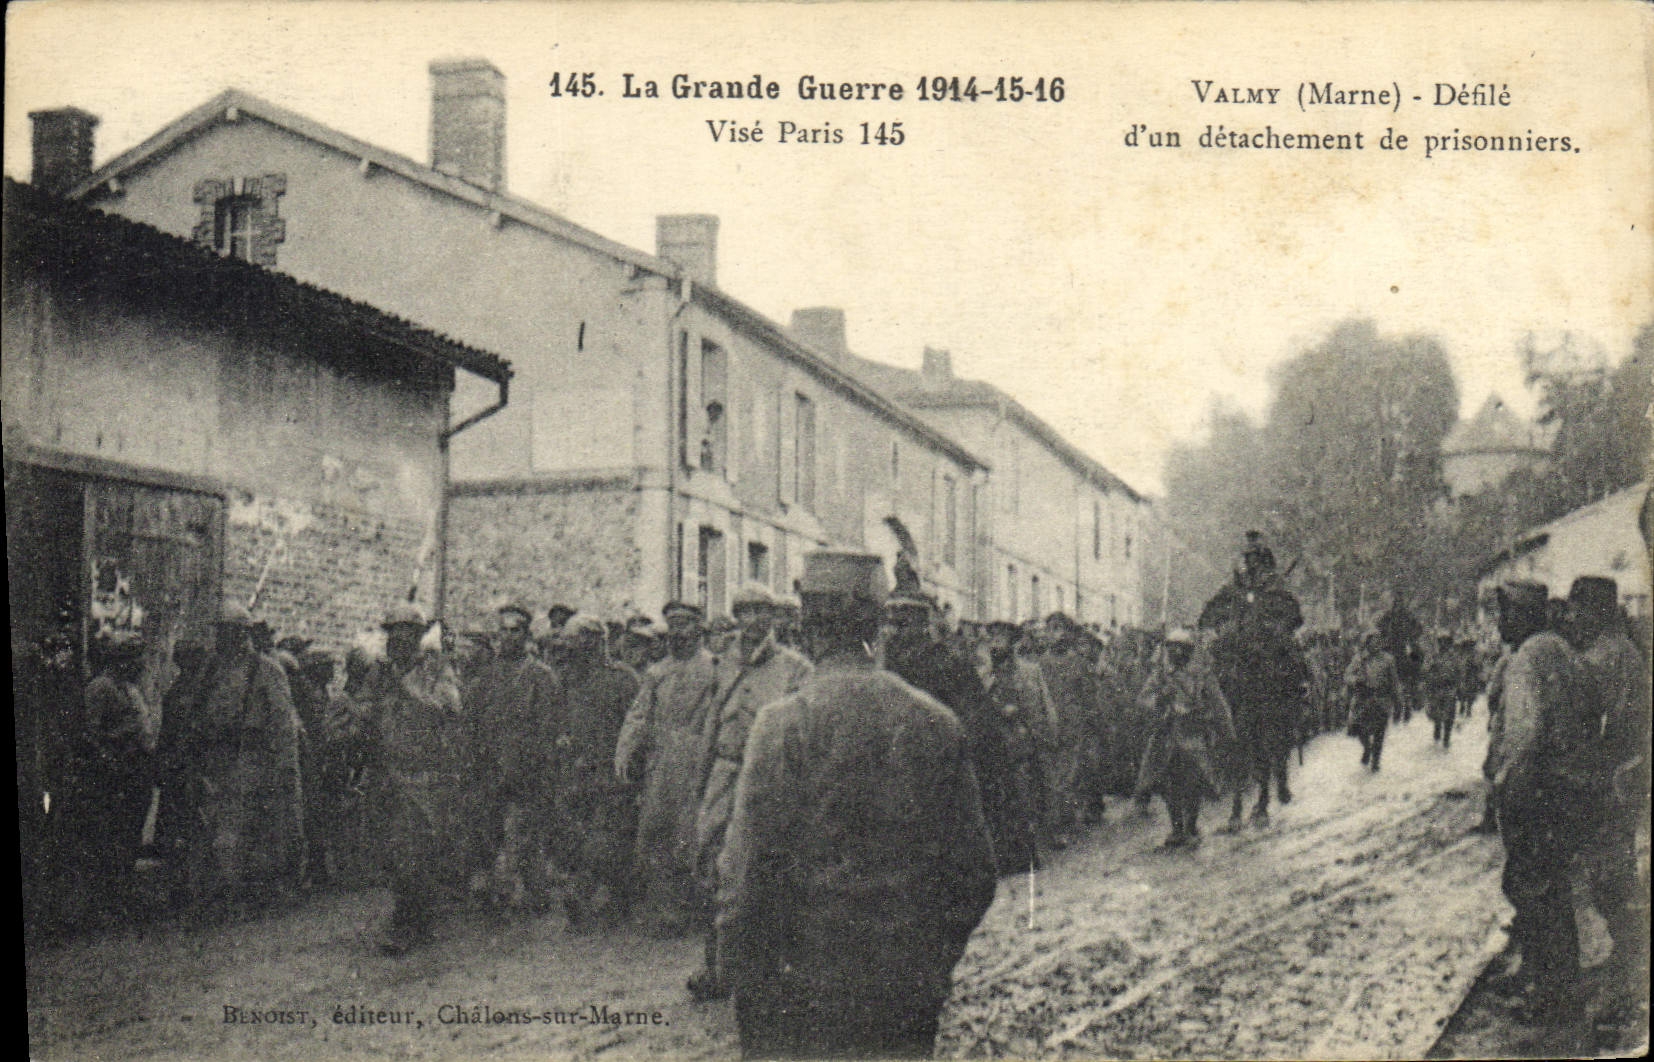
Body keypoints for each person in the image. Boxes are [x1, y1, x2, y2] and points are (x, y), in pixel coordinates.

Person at [717, 551, 996, 1059]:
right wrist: (932, 963)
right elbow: (974, 874)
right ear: (878, 622)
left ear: (804, 625)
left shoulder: (781, 724)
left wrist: (744, 971)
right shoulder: (934, 721)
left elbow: (745, 874)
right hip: (903, 985)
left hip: (799, 987)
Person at [688, 584, 812, 1002]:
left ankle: (769, 968)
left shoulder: (794, 667)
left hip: (768, 776)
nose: (756, 620)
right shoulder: (721, 664)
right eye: (748, 611)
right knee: (711, 863)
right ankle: (715, 966)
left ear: (775, 618)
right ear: (737, 615)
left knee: (765, 866)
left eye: (764, 611)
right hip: (723, 773)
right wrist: (702, 781)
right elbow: (710, 725)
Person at [1483, 581, 1596, 1025]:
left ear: (1520, 616)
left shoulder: (1525, 660)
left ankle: (1552, 998)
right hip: (1569, 791)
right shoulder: (1564, 651)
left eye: (1505, 615)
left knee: (1534, 892)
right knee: (1553, 890)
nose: (1500, 623)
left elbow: (1524, 741)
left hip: (1537, 796)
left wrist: (1506, 794)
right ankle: (1549, 983)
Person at [1564, 577, 1650, 1028]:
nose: (1571, 619)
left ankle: (1629, 969)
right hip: (1623, 775)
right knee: (1611, 871)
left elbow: (1594, 726)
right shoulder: (1624, 653)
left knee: (1609, 876)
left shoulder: (1603, 659)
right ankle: (1626, 958)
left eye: (1577, 610)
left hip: (1609, 780)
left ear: (1595, 611)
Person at [882, 593, 1018, 877]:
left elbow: (972, 713)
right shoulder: (891, 661)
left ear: (920, 626)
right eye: (893, 624)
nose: (894, 631)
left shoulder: (942, 661)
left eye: (902, 624)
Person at [186, 600, 305, 914]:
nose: (223, 639)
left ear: (243, 634)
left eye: (230, 632)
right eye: (220, 632)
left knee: (248, 829)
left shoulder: (265, 670)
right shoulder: (210, 668)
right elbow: (196, 709)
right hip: (215, 760)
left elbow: (282, 724)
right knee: (214, 828)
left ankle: (248, 892)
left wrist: (285, 769)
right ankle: (220, 892)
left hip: (251, 760)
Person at [363, 602, 469, 954]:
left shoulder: (436, 670)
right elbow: (367, 710)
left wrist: (406, 687)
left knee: (413, 850)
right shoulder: (380, 673)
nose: (398, 640)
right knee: (393, 852)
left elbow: (449, 708)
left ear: (419, 637)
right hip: (387, 773)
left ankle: (409, 921)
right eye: (392, 633)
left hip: (424, 777)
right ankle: (414, 915)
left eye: (405, 633)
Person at [615, 600, 721, 934]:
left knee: (695, 835)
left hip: (700, 760)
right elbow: (638, 715)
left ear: (699, 628)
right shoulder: (657, 672)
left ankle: (700, 909)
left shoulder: (715, 669)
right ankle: (666, 909)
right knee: (657, 831)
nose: (678, 633)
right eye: (672, 626)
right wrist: (625, 750)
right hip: (661, 763)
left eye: (685, 625)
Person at [468, 602, 564, 917]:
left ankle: (534, 891)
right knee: (490, 829)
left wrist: (539, 766)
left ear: (526, 634)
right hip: (491, 764)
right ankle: (497, 891)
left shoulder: (541, 675)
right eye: (504, 631)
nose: (509, 637)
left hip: (527, 768)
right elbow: (473, 720)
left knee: (527, 832)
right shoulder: (486, 676)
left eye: (516, 631)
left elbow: (548, 726)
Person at [553, 614, 641, 931]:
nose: (571, 649)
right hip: (578, 773)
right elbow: (560, 720)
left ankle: (606, 897)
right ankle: (597, 897)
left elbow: (638, 725)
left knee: (607, 840)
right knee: (579, 838)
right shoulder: (568, 679)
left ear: (594, 642)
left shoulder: (623, 678)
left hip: (613, 774)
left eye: (577, 642)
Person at [66, 631, 159, 923]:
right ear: (121, 659)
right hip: (113, 773)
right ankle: (103, 900)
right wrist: (110, 759)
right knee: (109, 836)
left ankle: (121, 894)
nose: (140, 664)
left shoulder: (130, 689)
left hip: (135, 771)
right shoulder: (100, 688)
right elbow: (89, 734)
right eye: (135, 658)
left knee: (129, 833)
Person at [1134, 629, 1237, 848]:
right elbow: (1143, 698)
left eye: (1180, 648)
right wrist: (1160, 699)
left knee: (1193, 782)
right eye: (1171, 647)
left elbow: (1218, 704)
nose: (1175, 652)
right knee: (1167, 783)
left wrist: (1226, 731)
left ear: (1189, 651)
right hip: (1167, 734)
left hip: (1193, 734)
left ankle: (1190, 826)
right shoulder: (1161, 674)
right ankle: (1176, 828)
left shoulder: (1201, 675)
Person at [1342, 630, 1401, 772]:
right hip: (1363, 699)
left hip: (1381, 700)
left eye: (1378, 640)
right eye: (1372, 640)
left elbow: (1394, 682)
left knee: (1380, 732)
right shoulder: (1359, 659)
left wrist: (1398, 702)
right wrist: (1356, 680)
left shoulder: (1388, 659)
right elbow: (1347, 675)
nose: (1376, 643)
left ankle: (1375, 761)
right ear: (1367, 642)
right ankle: (1368, 748)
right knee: (1359, 729)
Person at [1375, 589, 1424, 724]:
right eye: (1396, 601)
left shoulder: (1408, 616)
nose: (1398, 604)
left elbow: (1419, 628)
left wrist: (1411, 636)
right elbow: (1379, 627)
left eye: (1400, 601)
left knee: (1416, 655)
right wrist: (1385, 635)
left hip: (1404, 645)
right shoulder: (1388, 615)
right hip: (1391, 646)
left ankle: (1415, 686)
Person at [1422, 632, 1461, 749]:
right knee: (1436, 712)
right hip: (1436, 688)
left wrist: (1458, 687)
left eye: (1446, 641)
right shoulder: (1433, 656)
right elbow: (1425, 670)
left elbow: (1459, 671)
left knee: (1450, 713)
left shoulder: (1454, 656)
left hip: (1449, 688)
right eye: (1441, 641)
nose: (1444, 644)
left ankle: (1447, 737)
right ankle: (1437, 727)